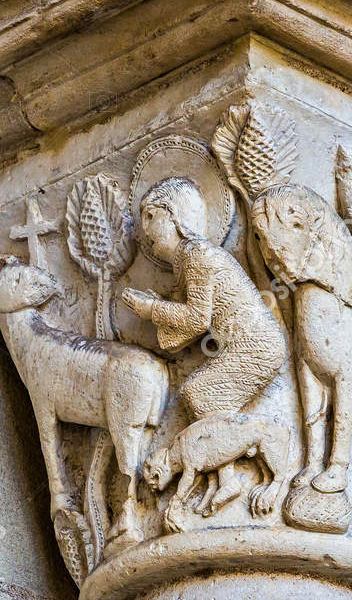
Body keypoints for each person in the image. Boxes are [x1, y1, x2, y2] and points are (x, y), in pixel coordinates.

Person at [121, 176, 287, 419]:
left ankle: (261, 437)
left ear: (173, 215)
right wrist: (158, 309)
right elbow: (187, 330)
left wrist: (152, 309)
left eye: (150, 216)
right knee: (197, 393)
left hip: (255, 346)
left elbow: (197, 319)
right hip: (249, 345)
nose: (145, 230)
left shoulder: (197, 254)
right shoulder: (187, 261)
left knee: (198, 395)